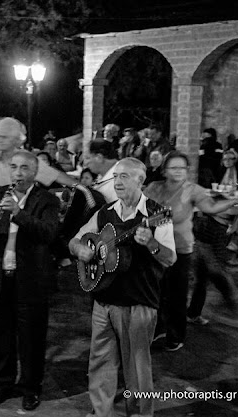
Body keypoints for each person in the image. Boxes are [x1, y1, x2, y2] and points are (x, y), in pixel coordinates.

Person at [69, 157, 176, 417]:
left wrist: (151, 243)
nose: (117, 181)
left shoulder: (157, 214)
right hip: (103, 299)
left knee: (137, 368)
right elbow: (75, 240)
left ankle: (139, 413)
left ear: (141, 181)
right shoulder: (105, 213)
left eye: (125, 176)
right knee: (100, 362)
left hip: (138, 301)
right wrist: (80, 250)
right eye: (116, 176)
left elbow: (170, 258)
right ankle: (100, 411)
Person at [0, 150, 60, 411]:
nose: (18, 173)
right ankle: (2, 384)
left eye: (24, 168)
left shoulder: (46, 199)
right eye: (14, 167)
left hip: (30, 280)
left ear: (34, 172)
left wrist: (18, 214)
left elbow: (48, 234)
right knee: (0, 337)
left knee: (31, 339)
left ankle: (31, 387)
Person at [144, 151, 238, 351]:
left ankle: (176, 335)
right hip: (154, 248)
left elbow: (211, 207)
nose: (179, 171)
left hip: (180, 249)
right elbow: (140, 210)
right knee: (156, 291)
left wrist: (235, 200)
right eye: (174, 167)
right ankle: (158, 328)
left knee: (177, 294)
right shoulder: (154, 188)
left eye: (183, 168)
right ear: (164, 170)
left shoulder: (192, 190)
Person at [0, 117, 76, 189]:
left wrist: (82, 188)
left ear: (15, 139)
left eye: (4, 137)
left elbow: (54, 175)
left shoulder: (27, 159)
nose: (0, 140)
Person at [85, 139, 119, 203]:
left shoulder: (119, 183)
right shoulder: (103, 176)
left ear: (99, 157)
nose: (85, 163)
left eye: (87, 158)